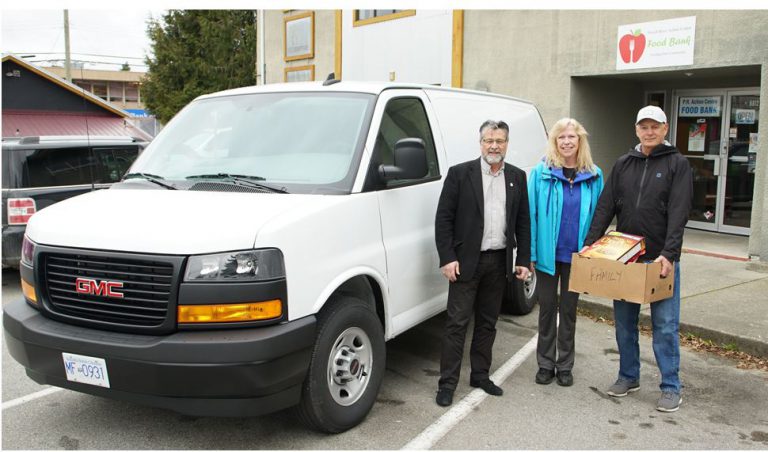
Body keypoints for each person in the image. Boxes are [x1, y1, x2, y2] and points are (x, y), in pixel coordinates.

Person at [583, 105, 692, 413]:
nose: (649, 131)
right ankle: (628, 376)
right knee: (625, 324)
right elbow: (605, 207)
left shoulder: (677, 164)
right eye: (644, 126)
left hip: (660, 260)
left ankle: (671, 386)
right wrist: (590, 246)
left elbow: (679, 211)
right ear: (636, 130)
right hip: (626, 259)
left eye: (655, 126)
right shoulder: (623, 164)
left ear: (665, 128)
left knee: (666, 325)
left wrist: (670, 254)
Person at [434, 119, 531, 407]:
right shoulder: (460, 174)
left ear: (507, 144)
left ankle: (480, 375)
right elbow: (443, 220)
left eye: (499, 141)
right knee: (456, 324)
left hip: (498, 261)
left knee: (488, 323)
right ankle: (447, 384)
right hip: (465, 263)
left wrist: (523, 259)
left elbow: (523, 222)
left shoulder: (516, 176)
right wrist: (447, 257)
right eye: (489, 140)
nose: (494, 146)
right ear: (480, 143)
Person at [528, 118, 603, 387]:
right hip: (549, 255)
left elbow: (598, 217)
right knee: (547, 309)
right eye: (561, 137)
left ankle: (565, 365)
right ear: (554, 141)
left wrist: (594, 248)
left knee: (569, 311)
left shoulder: (594, 175)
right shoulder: (541, 173)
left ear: (580, 141)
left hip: (577, 256)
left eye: (572, 137)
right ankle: (545, 364)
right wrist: (532, 253)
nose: (567, 141)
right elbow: (531, 215)